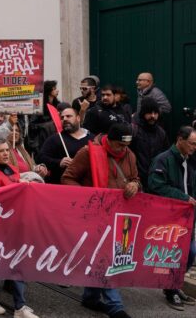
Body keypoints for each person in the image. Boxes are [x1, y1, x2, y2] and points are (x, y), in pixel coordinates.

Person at [61, 123, 139, 318]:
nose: (123, 149)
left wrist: (135, 185)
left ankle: (91, 297)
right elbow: (67, 178)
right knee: (104, 258)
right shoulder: (87, 153)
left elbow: (135, 178)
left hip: (118, 217)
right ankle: (115, 306)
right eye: (119, 145)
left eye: (126, 146)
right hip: (94, 216)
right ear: (109, 141)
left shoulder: (129, 155)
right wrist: (91, 197)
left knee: (105, 257)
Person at [0, 136, 39, 318]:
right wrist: (17, 188)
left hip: (15, 223)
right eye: (1, 151)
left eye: (7, 150)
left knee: (11, 262)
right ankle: (11, 304)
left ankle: (1, 301)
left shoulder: (11, 169)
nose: (6, 153)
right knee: (2, 263)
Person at [146, 126, 196, 311]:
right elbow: (155, 185)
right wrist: (184, 198)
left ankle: (174, 285)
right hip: (170, 217)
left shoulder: (189, 160)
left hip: (187, 217)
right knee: (175, 254)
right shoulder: (163, 159)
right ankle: (170, 289)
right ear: (180, 140)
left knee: (190, 253)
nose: (194, 147)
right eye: (192, 143)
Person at [36, 105, 93, 184]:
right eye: (62, 117)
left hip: (88, 186)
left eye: (68, 116)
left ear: (78, 118)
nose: (65, 119)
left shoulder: (92, 139)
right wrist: (59, 162)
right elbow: (40, 158)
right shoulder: (55, 139)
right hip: (61, 185)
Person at [130, 97, 169, 187]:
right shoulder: (133, 130)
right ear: (143, 113)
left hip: (156, 179)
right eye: (149, 113)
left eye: (155, 113)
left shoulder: (161, 133)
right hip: (136, 181)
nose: (153, 116)